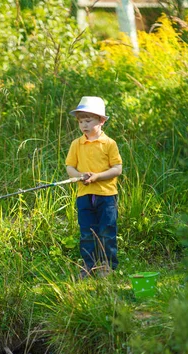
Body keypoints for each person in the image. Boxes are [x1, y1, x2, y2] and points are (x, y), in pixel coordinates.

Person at [65, 96, 122, 278]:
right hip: (84, 195)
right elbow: (70, 167)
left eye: (89, 120)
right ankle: (88, 265)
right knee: (87, 232)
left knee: (107, 231)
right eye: (81, 121)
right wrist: (80, 176)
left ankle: (107, 265)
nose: (84, 125)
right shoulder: (76, 144)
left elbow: (117, 168)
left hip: (106, 195)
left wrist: (98, 176)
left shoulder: (109, 144)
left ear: (102, 121)